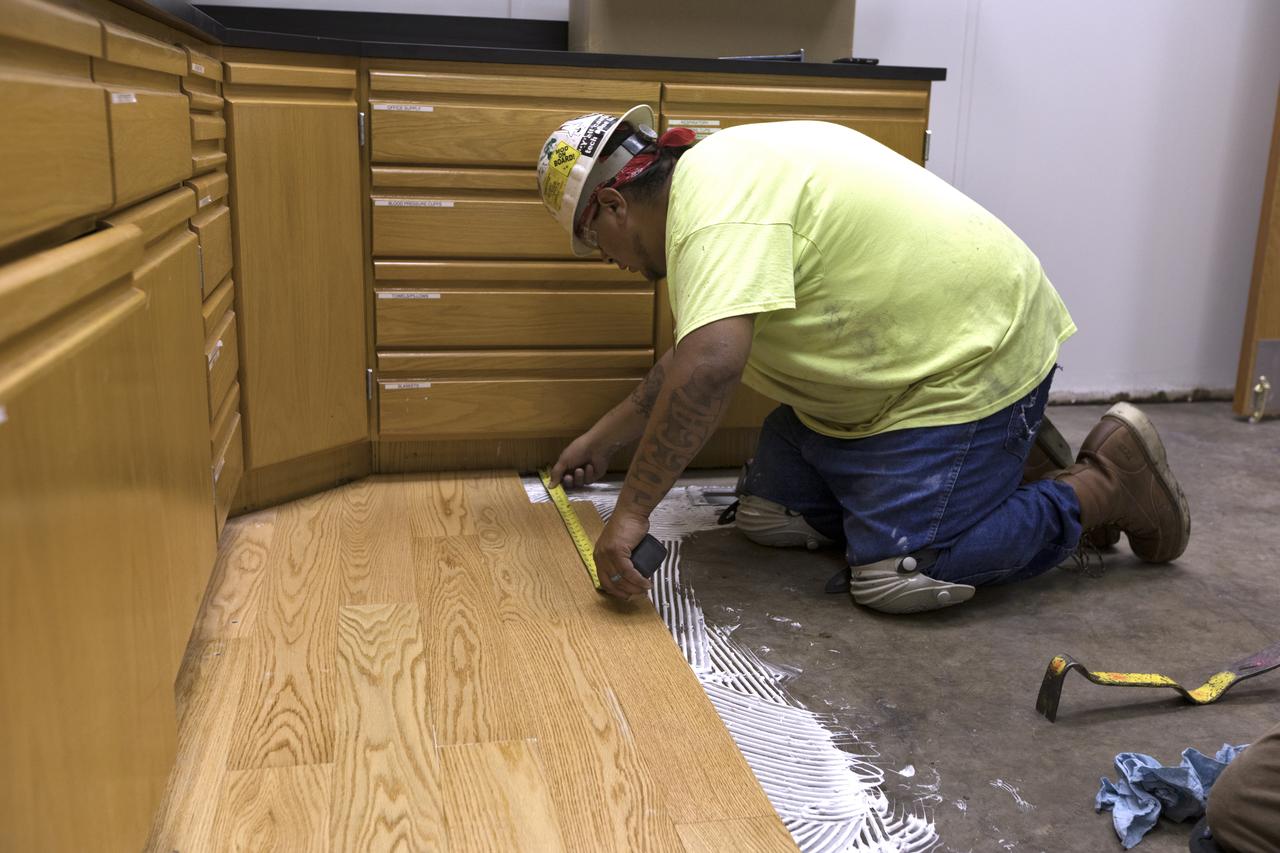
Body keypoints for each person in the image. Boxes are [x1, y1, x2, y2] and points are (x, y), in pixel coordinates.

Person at [536, 105, 1190, 611]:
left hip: (969, 360)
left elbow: (710, 366)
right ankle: (1002, 466)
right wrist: (605, 436)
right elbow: (691, 356)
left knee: (902, 573)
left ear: (615, 205)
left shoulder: (713, 209)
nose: (610, 262)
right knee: (770, 516)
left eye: (596, 244)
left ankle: (1106, 482)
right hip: (891, 383)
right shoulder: (716, 182)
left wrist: (630, 514)